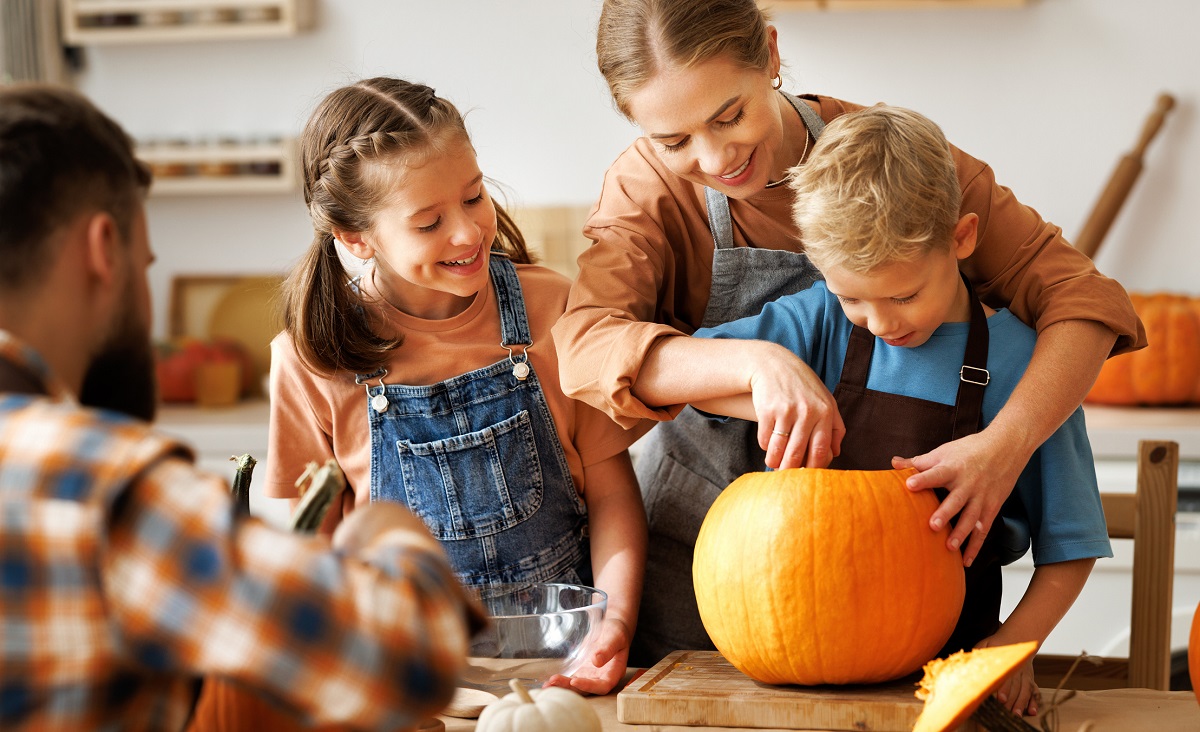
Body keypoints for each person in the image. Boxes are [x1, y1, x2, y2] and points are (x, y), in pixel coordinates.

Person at [551, 0, 1144, 668]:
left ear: (770, 56)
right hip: (706, 553)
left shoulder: (889, 167)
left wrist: (1005, 445)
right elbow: (587, 347)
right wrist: (759, 365)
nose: (715, 158)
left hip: (895, 586)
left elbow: (1083, 301)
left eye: (730, 115)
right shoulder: (645, 187)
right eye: (674, 140)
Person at [0, 83, 483, 730]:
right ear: (103, 249)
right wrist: (383, 531)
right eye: (145, 265)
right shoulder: (94, 489)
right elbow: (414, 658)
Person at [642, 104, 1112, 716]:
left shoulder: (1026, 367)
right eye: (854, 297)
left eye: (905, 294)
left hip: (948, 679)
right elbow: (677, 374)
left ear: (962, 238)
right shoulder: (820, 320)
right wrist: (765, 368)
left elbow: (1070, 544)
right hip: (797, 665)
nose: (883, 322)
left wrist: (1010, 649)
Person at [264, 77, 647, 695]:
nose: (467, 233)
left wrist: (616, 622)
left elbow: (611, 492)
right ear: (355, 237)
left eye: (473, 198)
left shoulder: (553, 309)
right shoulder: (313, 361)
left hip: (566, 674)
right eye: (428, 222)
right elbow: (315, 547)